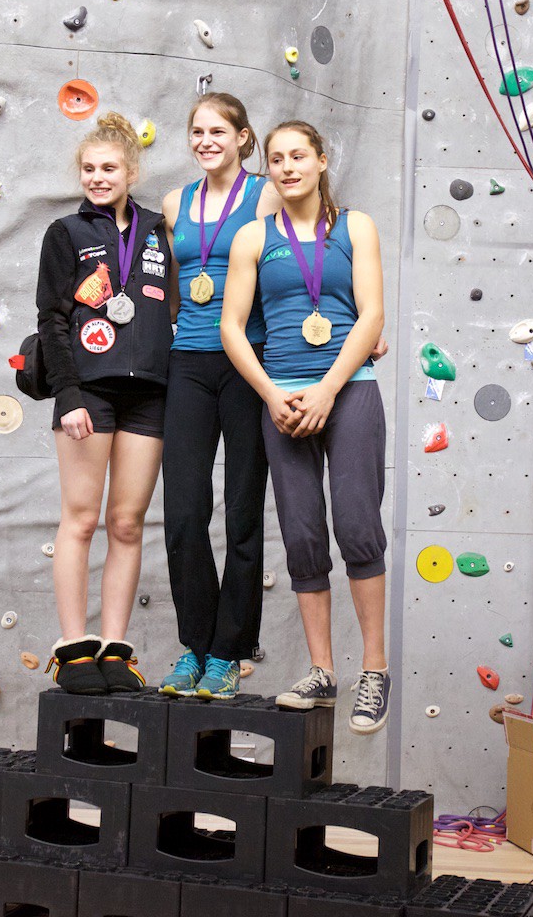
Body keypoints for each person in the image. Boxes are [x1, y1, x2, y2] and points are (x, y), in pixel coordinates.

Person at [221, 119, 390, 734]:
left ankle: (374, 669)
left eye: (299, 155)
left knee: (356, 525)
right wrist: (271, 393)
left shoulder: (356, 227)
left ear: (321, 161)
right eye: (276, 158)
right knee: (301, 535)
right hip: (282, 400)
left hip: (348, 393)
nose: (288, 166)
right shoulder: (251, 239)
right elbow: (232, 327)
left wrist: (327, 388)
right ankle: (322, 671)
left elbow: (372, 315)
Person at [35, 112, 173, 694]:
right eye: (89, 169)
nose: (97, 177)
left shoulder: (161, 229)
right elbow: (52, 319)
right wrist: (67, 394)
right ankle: (74, 649)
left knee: (126, 522)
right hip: (88, 391)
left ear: (131, 171)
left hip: (149, 392)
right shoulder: (65, 233)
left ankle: (115, 649)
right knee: (83, 518)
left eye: (108, 168)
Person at [157, 93, 281, 700]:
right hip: (189, 364)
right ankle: (194, 647)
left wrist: (359, 331)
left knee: (242, 513)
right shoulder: (175, 202)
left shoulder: (266, 195)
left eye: (217, 131)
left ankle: (229, 653)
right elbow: (173, 288)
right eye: (196, 130)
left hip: (248, 364)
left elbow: (307, 254)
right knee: (182, 512)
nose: (205, 140)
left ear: (242, 137)